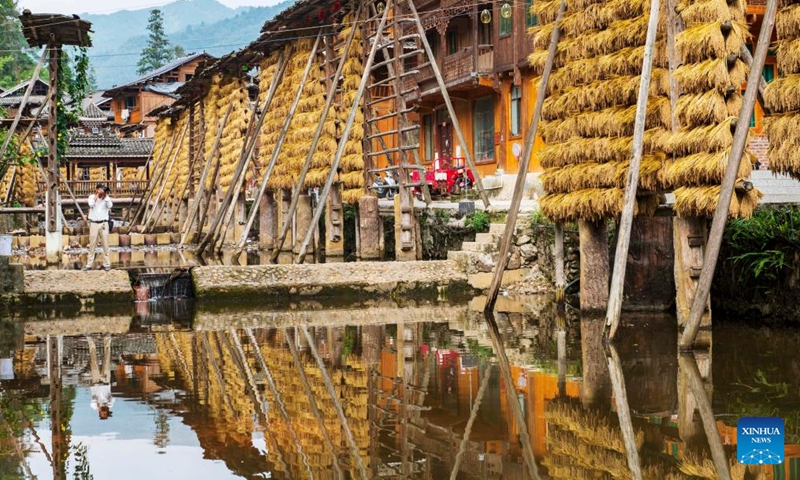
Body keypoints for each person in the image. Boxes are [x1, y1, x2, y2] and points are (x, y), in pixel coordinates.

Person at [84, 184, 113, 271]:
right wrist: (97, 195)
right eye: (101, 190)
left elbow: (110, 206)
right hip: (93, 223)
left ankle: (107, 264)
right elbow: (91, 204)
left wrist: (106, 196)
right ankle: (89, 265)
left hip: (104, 223)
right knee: (92, 244)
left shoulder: (107, 199)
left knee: (105, 244)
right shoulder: (92, 197)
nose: (102, 192)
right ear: (97, 190)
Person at [87, 335, 114, 420]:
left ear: (100, 413)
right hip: (106, 381)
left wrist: (99, 406)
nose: (104, 412)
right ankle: (107, 339)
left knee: (93, 360)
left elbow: (93, 399)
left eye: (103, 414)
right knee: (106, 360)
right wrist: (107, 405)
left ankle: (90, 340)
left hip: (96, 381)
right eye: (106, 413)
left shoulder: (94, 406)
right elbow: (113, 398)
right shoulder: (110, 405)